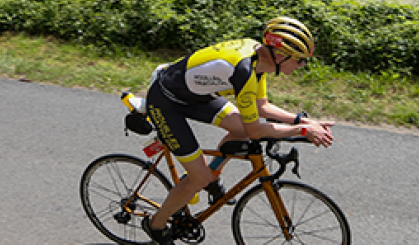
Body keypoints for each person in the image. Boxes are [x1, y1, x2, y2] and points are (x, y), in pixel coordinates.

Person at [141, 16, 335, 244]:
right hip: (166, 102)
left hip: (194, 96)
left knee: (239, 131)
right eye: (300, 60)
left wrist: (301, 120)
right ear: (280, 56)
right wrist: (301, 132)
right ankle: (156, 224)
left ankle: (211, 174)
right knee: (198, 178)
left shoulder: (259, 60)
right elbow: (255, 131)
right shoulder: (244, 70)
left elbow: (262, 106)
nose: (302, 66)